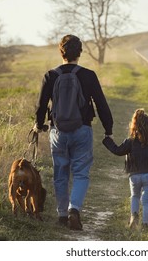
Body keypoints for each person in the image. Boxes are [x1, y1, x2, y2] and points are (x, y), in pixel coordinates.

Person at [34, 34, 113, 230]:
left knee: (60, 173)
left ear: (61, 52)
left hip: (58, 132)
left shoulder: (50, 76)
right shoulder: (88, 75)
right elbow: (101, 104)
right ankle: (74, 210)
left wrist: (38, 124)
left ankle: (62, 214)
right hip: (82, 130)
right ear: (79, 52)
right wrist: (108, 129)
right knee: (81, 173)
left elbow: (41, 105)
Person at [103, 109, 148, 229]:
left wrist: (108, 140)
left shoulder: (130, 141)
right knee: (147, 201)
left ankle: (134, 216)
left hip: (135, 175)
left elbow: (118, 150)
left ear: (134, 126)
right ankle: (146, 224)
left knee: (134, 196)